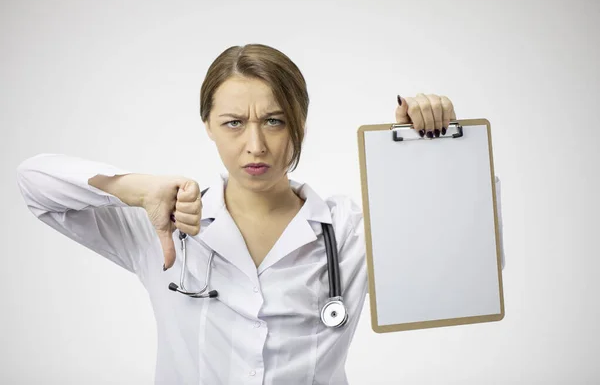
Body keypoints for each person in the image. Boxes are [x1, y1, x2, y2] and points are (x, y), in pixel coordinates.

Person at [16, 43, 504, 384]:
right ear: (207, 125)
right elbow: (34, 183)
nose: (255, 145)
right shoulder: (162, 223)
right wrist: (136, 189)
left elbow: (470, 258)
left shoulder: (352, 231)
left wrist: (426, 149)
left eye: (274, 121)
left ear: (300, 124)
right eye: (233, 123)